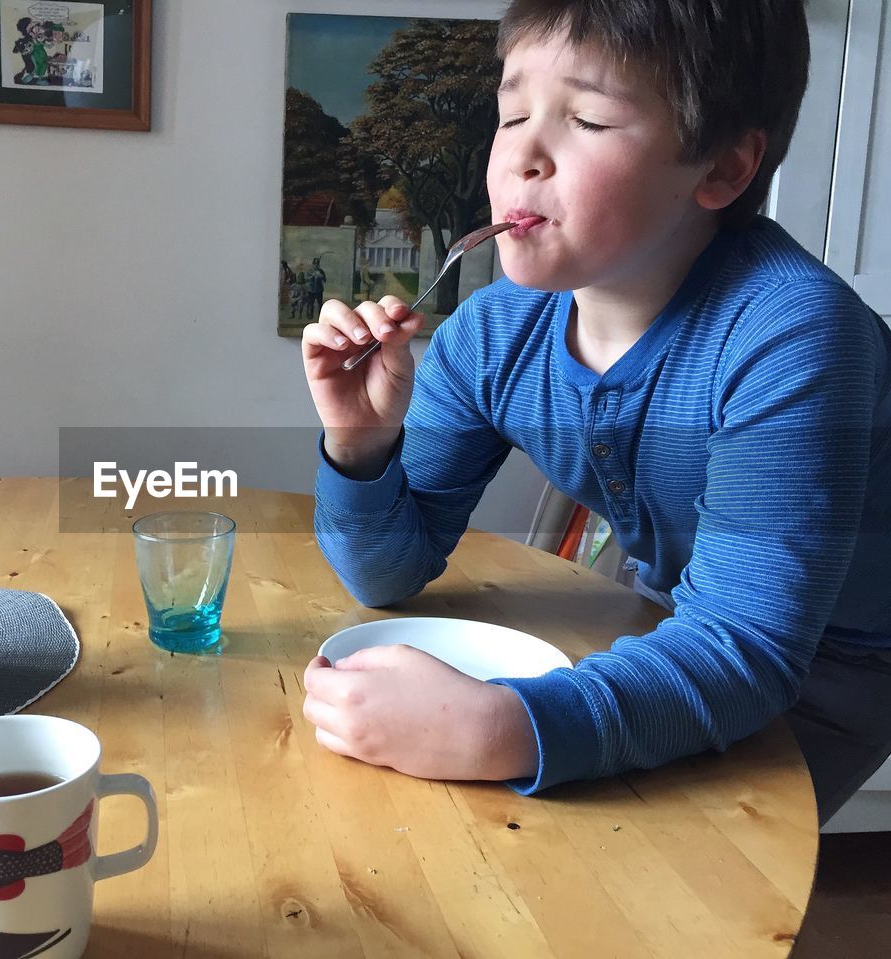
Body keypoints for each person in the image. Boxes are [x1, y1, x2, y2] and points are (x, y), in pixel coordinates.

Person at [300, 0, 891, 826]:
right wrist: (360, 444)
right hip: (674, 614)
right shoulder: (490, 334)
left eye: (585, 117)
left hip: (843, 663)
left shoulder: (793, 334)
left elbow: (749, 648)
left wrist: (498, 727)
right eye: (510, 113)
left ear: (721, 169)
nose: (522, 155)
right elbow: (385, 573)